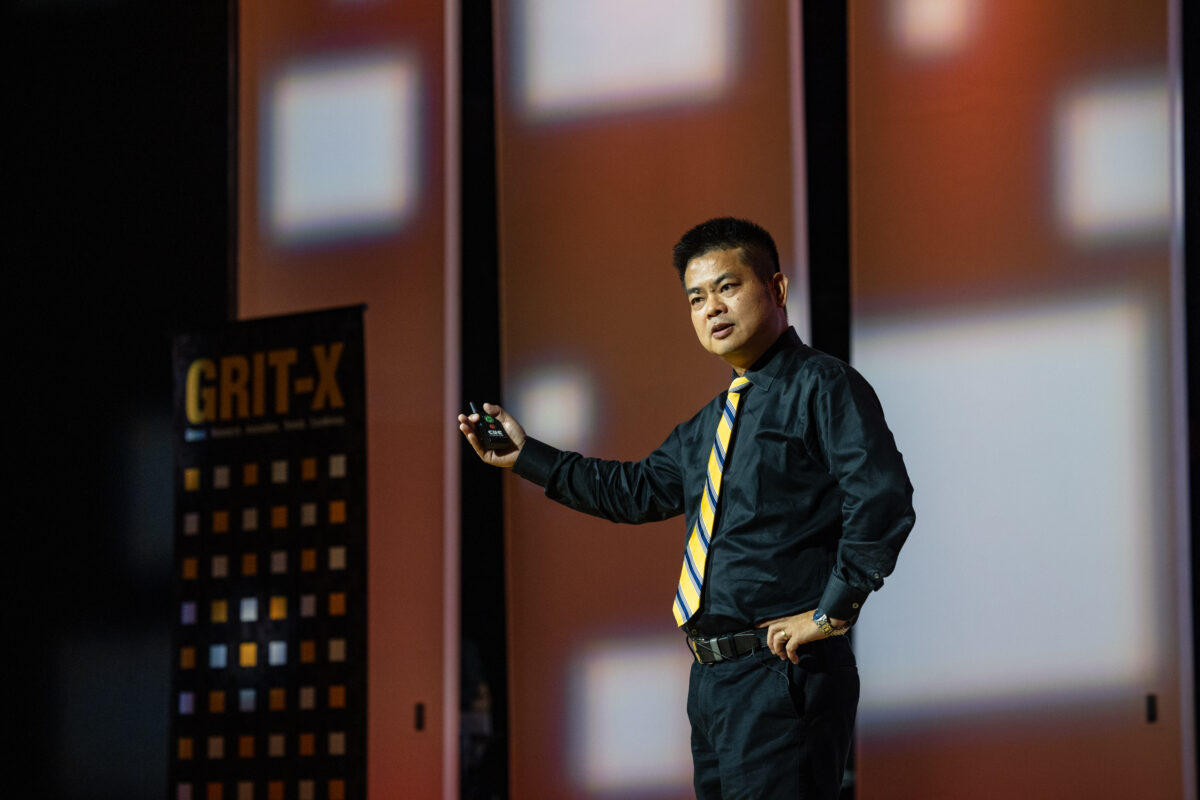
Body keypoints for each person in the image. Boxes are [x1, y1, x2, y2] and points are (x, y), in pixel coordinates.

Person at [457, 217, 915, 799]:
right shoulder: (710, 425)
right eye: (697, 298)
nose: (711, 308)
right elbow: (634, 491)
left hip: (781, 674)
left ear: (775, 289)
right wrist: (527, 457)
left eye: (727, 287)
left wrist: (831, 613)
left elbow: (881, 497)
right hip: (714, 682)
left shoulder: (823, 386)